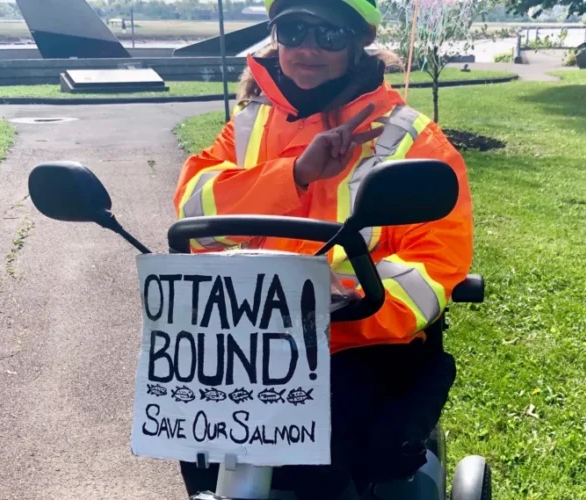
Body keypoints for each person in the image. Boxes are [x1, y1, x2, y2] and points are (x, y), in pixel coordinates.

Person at [172, 0, 473, 497]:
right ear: (275, 36)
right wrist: (295, 174)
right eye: (293, 30)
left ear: (358, 43)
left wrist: (347, 307)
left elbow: (433, 264)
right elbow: (194, 212)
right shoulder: (250, 123)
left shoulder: (415, 140)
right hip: (246, 345)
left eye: (329, 34)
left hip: (357, 345)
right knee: (199, 449)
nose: (308, 48)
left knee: (332, 456)